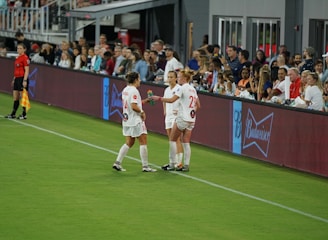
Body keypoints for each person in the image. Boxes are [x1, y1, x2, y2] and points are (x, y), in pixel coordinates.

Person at [151, 70, 201, 172]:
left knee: (172, 139)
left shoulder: (182, 88)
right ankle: (186, 165)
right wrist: (191, 112)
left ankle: (172, 164)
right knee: (186, 142)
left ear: (184, 78)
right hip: (191, 119)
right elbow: (198, 105)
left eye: (179, 77)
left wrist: (159, 98)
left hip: (182, 118)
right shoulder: (193, 89)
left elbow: (171, 100)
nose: (178, 78)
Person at [112, 72, 157, 172]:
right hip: (135, 120)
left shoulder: (125, 90)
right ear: (136, 79)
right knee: (143, 141)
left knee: (129, 142)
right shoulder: (134, 91)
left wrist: (144, 101)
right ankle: (145, 166)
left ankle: (117, 163)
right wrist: (142, 112)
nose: (140, 80)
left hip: (126, 119)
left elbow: (131, 103)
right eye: (139, 78)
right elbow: (133, 106)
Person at [161, 71, 184, 170]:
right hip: (168, 116)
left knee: (176, 138)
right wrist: (165, 111)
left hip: (176, 116)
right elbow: (165, 101)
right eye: (168, 77)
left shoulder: (179, 89)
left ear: (176, 78)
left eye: (171, 77)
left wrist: (179, 111)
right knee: (170, 139)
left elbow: (183, 102)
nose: (169, 79)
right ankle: (172, 161)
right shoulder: (166, 89)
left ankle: (179, 162)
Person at [5, 43, 29, 119]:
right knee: (15, 97)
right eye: (18, 48)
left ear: (24, 49)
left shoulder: (25, 58)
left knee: (23, 97)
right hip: (17, 78)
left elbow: (27, 70)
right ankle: (13, 113)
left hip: (22, 78)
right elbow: (16, 69)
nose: (18, 50)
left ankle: (24, 114)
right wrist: (14, 78)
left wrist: (25, 80)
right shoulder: (17, 58)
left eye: (20, 48)